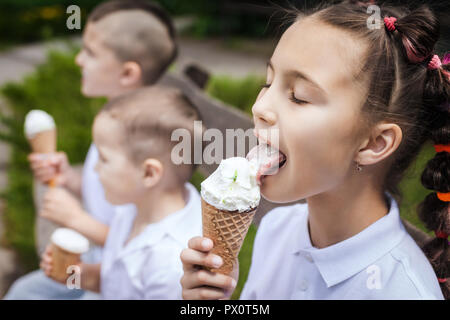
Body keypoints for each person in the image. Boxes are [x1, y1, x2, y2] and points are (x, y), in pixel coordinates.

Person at [180, 1, 449, 300]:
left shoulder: (402, 292)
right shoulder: (277, 229)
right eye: (268, 82)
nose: (260, 107)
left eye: (298, 97)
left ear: (374, 143)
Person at [5, 0, 177, 299]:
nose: (78, 60)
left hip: (117, 272)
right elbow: (106, 198)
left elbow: (140, 243)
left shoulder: (143, 141)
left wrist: (75, 219)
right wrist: (70, 178)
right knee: (24, 291)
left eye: (90, 52)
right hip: (98, 262)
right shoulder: (113, 122)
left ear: (127, 74)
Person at [40, 86, 203, 299]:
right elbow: (113, 282)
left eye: (104, 159)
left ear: (149, 173)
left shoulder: (172, 264)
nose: (94, 168)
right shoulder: (133, 206)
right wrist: (73, 276)